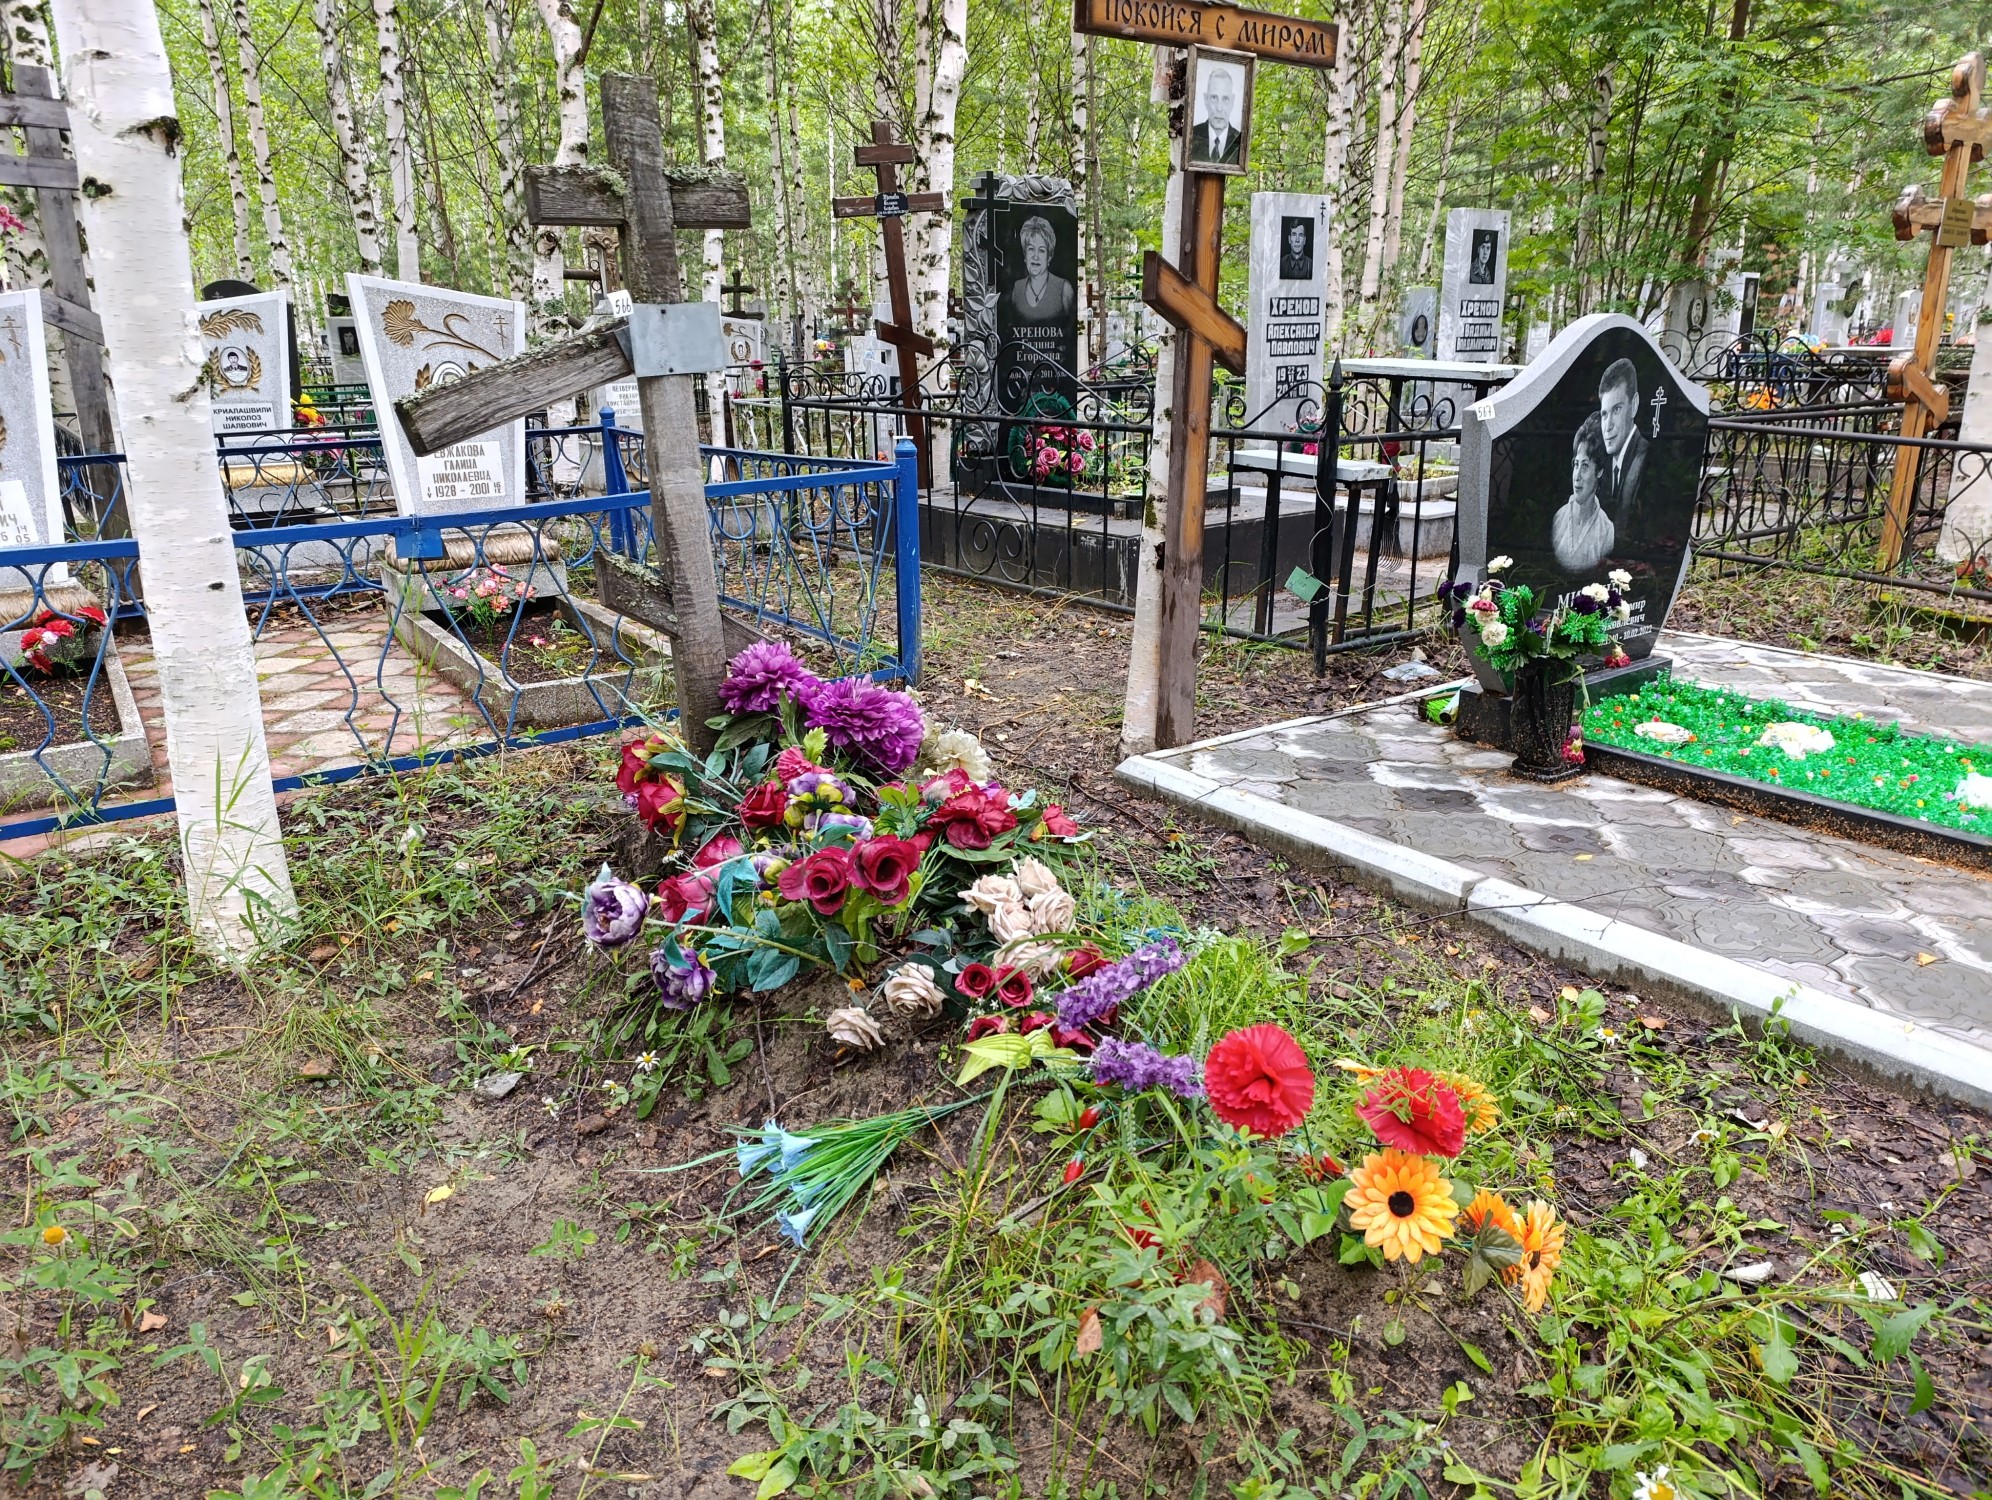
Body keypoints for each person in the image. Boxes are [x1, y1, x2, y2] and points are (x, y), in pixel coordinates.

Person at [1552, 412, 1615, 573]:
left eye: (1585, 466)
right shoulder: (1559, 518)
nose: (1577, 476)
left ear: (1599, 471)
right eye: (1576, 464)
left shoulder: (1606, 530)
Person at [1597, 356, 1647, 531]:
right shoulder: (1606, 464)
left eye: (1617, 409)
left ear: (1634, 405)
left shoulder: (1645, 460)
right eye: (1604, 414)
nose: (1608, 426)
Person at [1006, 216, 1074, 324]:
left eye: (1041, 250)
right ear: (1025, 255)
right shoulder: (1017, 289)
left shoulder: (1064, 289)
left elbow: (1070, 326)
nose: (1035, 256)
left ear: (1049, 257)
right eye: (1031, 249)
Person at [1189, 62, 1243, 167]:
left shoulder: (1239, 140)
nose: (1219, 108)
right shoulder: (1192, 135)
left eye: (1225, 99)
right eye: (1214, 97)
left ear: (1232, 101)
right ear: (1206, 99)